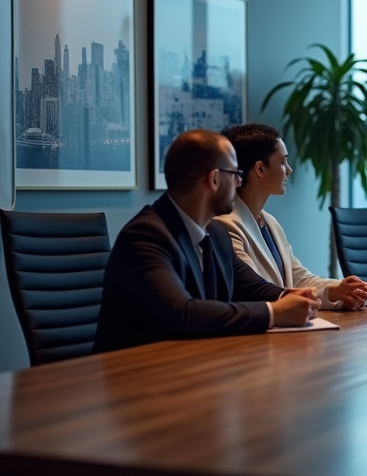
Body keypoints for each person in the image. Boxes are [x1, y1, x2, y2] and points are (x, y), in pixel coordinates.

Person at [93, 129, 319, 354]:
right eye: (235, 174)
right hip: (134, 374)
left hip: (190, 365)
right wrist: (275, 313)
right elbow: (184, 314)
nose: (240, 182)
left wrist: (289, 297)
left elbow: (253, 287)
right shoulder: (144, 238)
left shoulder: (217, 234)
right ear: (214, 179)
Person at [216, 122, 367, 307]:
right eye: (283, 162)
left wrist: (348, 290)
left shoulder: (269, 222)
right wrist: (335, 293)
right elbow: (256, 291)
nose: (289, 170)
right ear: (260, 169)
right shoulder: (227, 227)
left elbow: (300, 279)